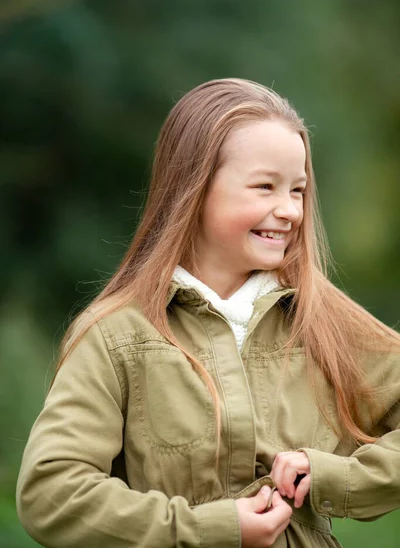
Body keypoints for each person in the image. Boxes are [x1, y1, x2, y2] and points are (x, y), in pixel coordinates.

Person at [17, 78, 400, 548]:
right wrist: (210, 529)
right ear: (194, 187)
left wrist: (333, 477)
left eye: (297, 190)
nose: (289, 211)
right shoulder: (115, 334)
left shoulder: (324, 319)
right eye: (265, 187)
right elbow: (50, 495)